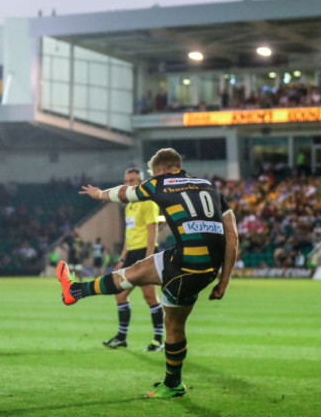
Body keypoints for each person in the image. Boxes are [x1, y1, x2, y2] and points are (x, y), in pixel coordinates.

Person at [57, 148, 239, 398]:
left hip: (185, 265)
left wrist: (99, 194)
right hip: (205, 267)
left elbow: (125, 193)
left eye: (153, 174)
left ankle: (76, 290)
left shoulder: (160, 183)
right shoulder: (210, 187)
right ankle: (75, 290)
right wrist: (224, 280)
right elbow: (233, 237)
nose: (151, 178)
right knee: (141, 281)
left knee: (167, 318)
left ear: (161, 170)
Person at [102, 168, 164, 353]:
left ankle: (158, 340)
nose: (129, 184)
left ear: (140, 182)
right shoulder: (129, 205)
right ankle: (121, 338)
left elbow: (153, 231)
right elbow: (129, 236)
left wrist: (149, 258)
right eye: (127, 181)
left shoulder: (148, 202)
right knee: (120, 295)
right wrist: (122, 259)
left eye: (133, 180)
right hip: (131, 255)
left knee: (149, 296)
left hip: (145, 253)